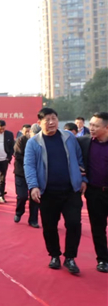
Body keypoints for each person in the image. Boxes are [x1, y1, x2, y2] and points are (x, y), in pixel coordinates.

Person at [25, 107, 87, 275]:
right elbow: (29, 166)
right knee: (49, 226)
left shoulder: (69, 137)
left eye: (54, 118)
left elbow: (80, 160)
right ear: (39, 123)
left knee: (74, 224)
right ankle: (54, 255)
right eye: (47, 120)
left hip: (71, 191)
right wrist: (33, 186)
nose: (51, 122)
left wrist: (83, 180)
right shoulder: (33, 142)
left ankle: (70, 257)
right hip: (47, 193)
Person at [78, 112, 108, 273]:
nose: (91, 128)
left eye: (96, 126)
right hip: (95, 193)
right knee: (98, 227)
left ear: (106, 127)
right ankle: (103, 259)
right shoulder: (84, 142)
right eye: (91, 125)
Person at [13, 124, 39, 228]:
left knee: (35, 197)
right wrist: (31, 161)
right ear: (30, 132)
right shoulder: (21, 140)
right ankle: (19, 212)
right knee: (22, 196)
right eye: (34, 134)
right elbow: (17, 155)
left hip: (35, 174)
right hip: (21, 173)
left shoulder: (41, 141)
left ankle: (33, 220)